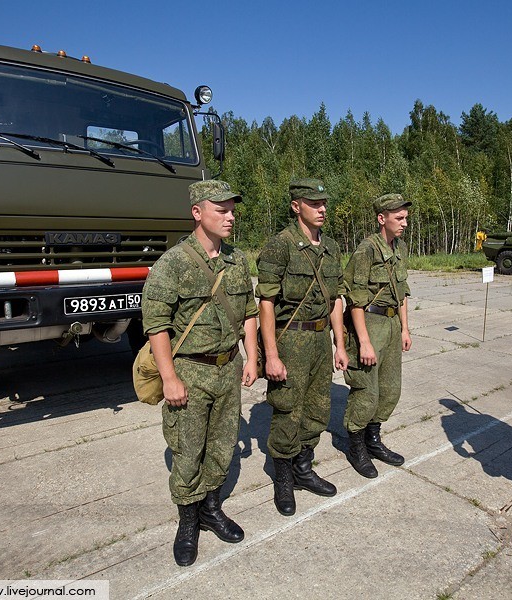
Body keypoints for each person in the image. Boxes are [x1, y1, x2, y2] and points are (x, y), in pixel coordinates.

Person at [140, 180, 259, 567]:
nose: (230, 216)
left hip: (228, 368)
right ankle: (188, 520)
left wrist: (252, 356)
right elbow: (156, 324)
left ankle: (210, 507)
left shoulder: (237, 260)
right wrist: (170, 378)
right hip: (190, 371)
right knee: (188, 451)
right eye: (220, 209)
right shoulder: (173, 263)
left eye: (232, 209)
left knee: (223, 446)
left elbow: (250, 312)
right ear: (197, 213)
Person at [256, 178, 348, 516]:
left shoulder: (332, 248)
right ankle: (283, 478)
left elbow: (336, 298)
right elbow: (265, 302)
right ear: (297, 206)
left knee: (318, 408)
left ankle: (303, 468)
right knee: (287, 409)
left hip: (321, 338)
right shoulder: (279, 246)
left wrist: (339, 343)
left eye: (324, 202)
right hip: (290, 338)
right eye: (314, 203)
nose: (322, 208)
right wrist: (272, 354)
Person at [342, 194, 412, 478]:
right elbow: (355, 301)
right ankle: (356, 445)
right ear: (382, 219)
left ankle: (373, 439)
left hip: (392, 325)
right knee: (366, 393)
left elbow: (403, 291)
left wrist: (406, 329)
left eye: (406, 218)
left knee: (390, 390)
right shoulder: (366, 251)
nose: (405, 223)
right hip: (369, 324)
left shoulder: (401, 248)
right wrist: (364, 342)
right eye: (399, 218)